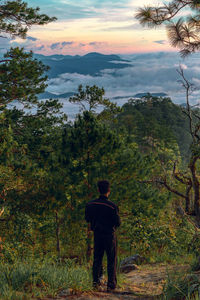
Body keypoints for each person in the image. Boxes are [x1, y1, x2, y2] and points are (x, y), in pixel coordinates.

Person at [85, 180, 120, 292]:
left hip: (97, 235)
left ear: (98, 190)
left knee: (97, 259)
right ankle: (111, 285)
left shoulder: (90, 204)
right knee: (111, 259)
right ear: (108, 191)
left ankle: (95, 283)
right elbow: (118, 223)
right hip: (109, 235)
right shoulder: (112, 206)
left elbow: (87, 219)